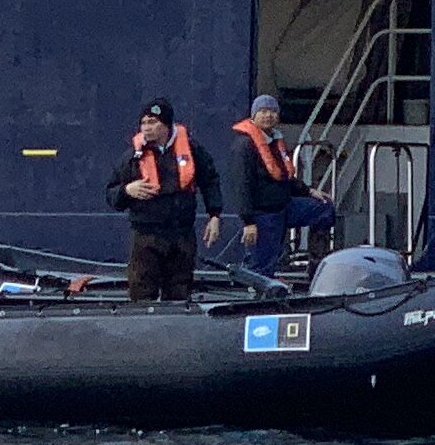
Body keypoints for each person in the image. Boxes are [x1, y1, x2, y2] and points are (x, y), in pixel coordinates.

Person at [210, 92, 340, 280]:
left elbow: (284, 176)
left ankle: (317, 265)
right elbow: (241, 186)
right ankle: (256, 291)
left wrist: (309, 191)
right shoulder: (244, 146)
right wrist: (248, 222)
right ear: (254, 115)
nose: (268, 115)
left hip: (284, 206)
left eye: (272, 111)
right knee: (261, 269)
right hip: (262, 215)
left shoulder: (275, 142)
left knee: (323, 209)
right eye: (263, 111)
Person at [107, 98, 206, 302]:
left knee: (179, 293)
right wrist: (127, 190)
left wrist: (215, 214)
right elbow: (111, 194)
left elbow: (210, 179)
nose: (146, 127)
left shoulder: (192, 150)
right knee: (141, 292)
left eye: (152, 122)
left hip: (181, 235)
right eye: (143, 123)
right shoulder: (131, 157)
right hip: (146, 236)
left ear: (167, 125)